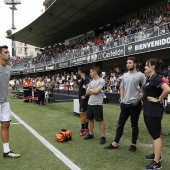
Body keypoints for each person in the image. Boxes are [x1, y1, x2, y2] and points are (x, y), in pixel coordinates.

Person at [104, 57, 146, 151]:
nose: (128, 64)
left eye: (130, 63)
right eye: (127, 63)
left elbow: (144, 89)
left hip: (135, 105)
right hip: (124, 104)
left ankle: (133, 144)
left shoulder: (141, 75)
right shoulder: (125, 75)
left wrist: (138, 100)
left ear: (135, 64)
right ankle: (115, 143)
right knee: (120, 124)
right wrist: (121, 99)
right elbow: (122, 87)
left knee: (134, 125)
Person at [143, 58, 170, 170]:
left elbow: (167, 89)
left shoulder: (156, 79)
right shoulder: (150, 78)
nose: (144, 67)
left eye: (146, 65)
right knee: (153, 133)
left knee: (156, 135)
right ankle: (156, 155)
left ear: (153, 66)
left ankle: (157, 162)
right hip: (148, 109)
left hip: (154, 110)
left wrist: (158, 99)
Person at [0, 45, 20, 158]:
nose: (9, 54)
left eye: (8, 52)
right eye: (6, 52)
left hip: (4, 101)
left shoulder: (9, 69)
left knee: (6, 124)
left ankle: (6, 152)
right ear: (0, 54)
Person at [84, 66, 106, 144]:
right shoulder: (91, 81)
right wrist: (91, 91)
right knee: (90, 119)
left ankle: (103, 136)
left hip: (97, 103)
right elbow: (86, 93)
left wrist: (90, 91)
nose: (90, 73)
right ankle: (90, 134)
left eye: (91, 72)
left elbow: (97, 91)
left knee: (100, 120)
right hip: (90, 103)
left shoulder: (101, 81)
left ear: (95, 72)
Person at [78, 67, 90, 136]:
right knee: (85, 113)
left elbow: (88, 86)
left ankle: (82, 130)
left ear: (80, 71)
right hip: (83, 99)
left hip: (84, 99)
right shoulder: (83, 78)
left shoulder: (85, 78)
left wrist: (85, 95)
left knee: (82, 113)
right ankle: (86, 128)